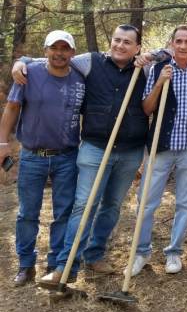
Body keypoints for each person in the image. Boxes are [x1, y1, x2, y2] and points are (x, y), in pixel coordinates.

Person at [13, 24, 169, 285]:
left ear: (137, 48)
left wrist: (153, 56)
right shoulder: (90, 62)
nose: (120, 45)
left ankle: (94, 254)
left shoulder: (145, 68)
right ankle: (66, 266)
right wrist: (23, 61)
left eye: (127, 42)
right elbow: (55, 57)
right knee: (84, 206)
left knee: (112, 206)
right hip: (95, 148)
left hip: (130, 150)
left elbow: (170, 54)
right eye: (117, 40)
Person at [0, 31, 85, 286]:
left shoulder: (81, 77)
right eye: (54, 48)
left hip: (67, 156)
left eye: (64, 48)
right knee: (27, 213)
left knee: (63, 212)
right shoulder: (28, 73)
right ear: (46, 50)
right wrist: (3, 143)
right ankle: (26, 265)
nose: (59, 53)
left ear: (72, 52)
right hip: (32, 156)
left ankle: (55, 264)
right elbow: (12, 107)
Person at [130, 25, 187, 276]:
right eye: (178, 41)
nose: (183, 46)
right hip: (161, 146)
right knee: (146, 201)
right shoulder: (159, 69)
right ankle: (141, 251)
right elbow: (147, 108)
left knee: (186, 203)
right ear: (172, 44)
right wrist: (159, 83)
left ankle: (174, 252)